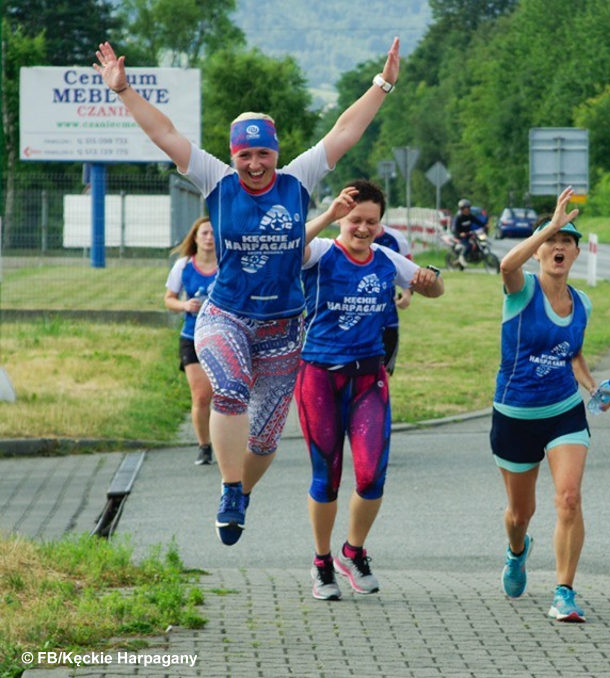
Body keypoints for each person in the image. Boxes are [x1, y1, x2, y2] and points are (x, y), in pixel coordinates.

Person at [93, 38, 400, 546]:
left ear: (276, 154)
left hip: (284, 326)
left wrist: (382, 84)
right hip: (226, 314)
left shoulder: (297, 179)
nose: (254, 164)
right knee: (230, 389)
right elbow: (164, 132)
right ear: (231, 155)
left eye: (262, 154)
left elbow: (345, 130)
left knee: (265, 437)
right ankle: (230, 487)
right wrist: (123, 90)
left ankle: (241, 493)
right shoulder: (216, 182)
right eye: (244, 155)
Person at [296, 180, 444, 600]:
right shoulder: (323, 252)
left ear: (381, 224)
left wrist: (429, 282)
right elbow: (289, 252)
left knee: (371, 474)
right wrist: (327, 215)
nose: (362, 228)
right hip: (319, 376)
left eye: (371, 222)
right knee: (327, 476)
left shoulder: (384, 257)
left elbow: (434, 286)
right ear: (342, 216)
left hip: (368, 377)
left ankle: (352, 551)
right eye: (355, 219)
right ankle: (322, 562)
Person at [491, 186, 610, 623]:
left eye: (566, 242)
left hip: (563, 411)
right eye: (551, 242)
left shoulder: (583, 303)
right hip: (515, 414)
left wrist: (593, 388)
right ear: (538, 252)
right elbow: (506, 264)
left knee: (569, 498)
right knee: (521, 513)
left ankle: (564, 592)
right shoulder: (520, 290)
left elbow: (572, 353)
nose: (559, 247)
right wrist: (551, 224)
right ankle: (517, 551)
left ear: (576, 253)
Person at [164, 216, 218, 466]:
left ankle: (228, 441)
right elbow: (169, 299)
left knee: (226, 395)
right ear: (195, 238)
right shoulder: (184, 266)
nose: (209, 238)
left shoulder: (229, 265)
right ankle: (204, 446)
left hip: (222, 339)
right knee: (201, 396)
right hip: (192, 337)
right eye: (204, 233)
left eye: (213, 233)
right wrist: (185, 304)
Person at [373, 223, 413, 374]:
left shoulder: (395, 239)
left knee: (382, 375)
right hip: (353, 324)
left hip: (387, 320)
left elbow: (409, 270)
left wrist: (407, 294)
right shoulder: (334, 245)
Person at [451, 198, 486, 269]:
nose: (467, 209)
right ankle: (461, 258)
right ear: (462, 209)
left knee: (476, 243)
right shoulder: (458, 217)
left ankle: (473, 257)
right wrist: (460, 234)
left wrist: (484, 225)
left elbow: (477, 221)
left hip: (468, 236)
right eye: (465, 208)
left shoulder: (470, 216)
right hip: (459, 237)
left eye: (468, 208)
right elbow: (454, 229)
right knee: (468, 246)